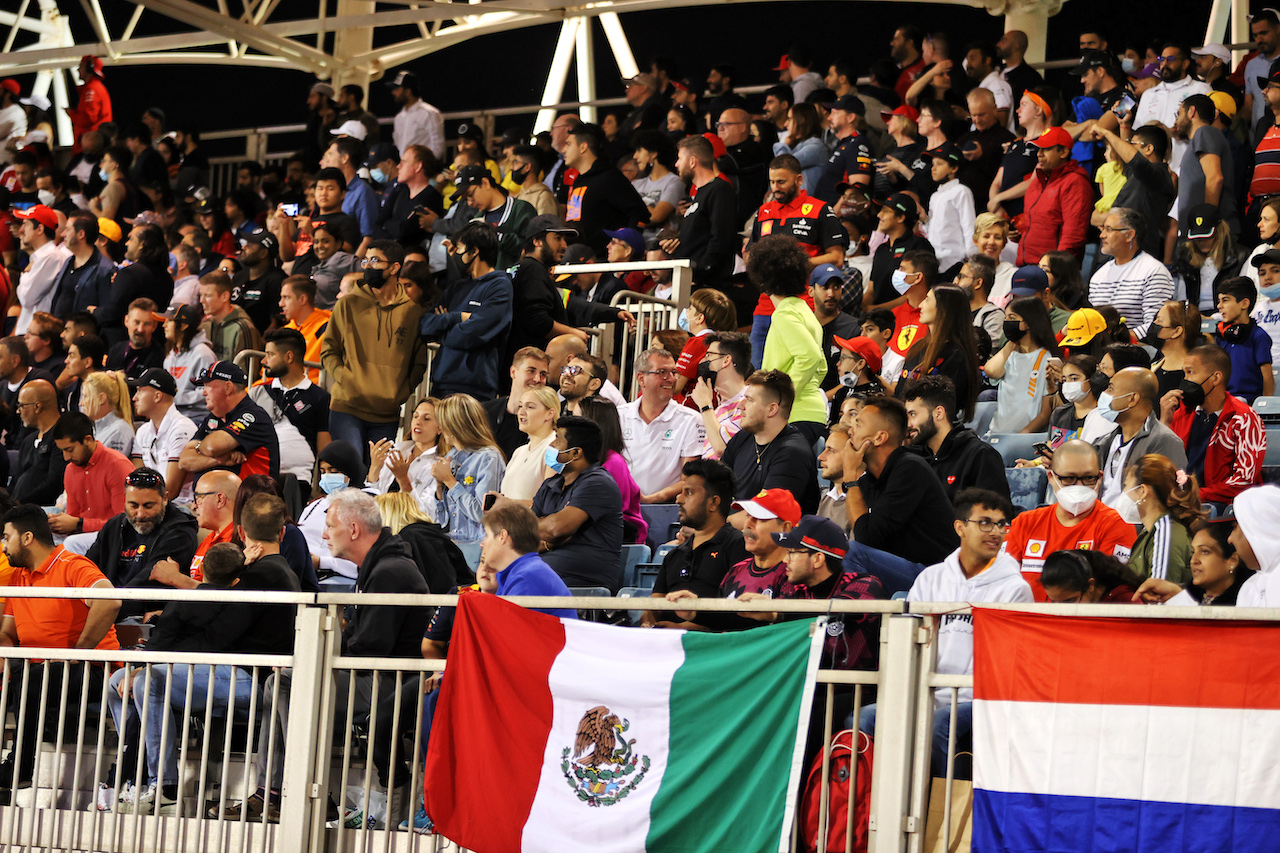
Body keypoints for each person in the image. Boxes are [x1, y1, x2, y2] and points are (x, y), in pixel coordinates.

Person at [860, 488, 1031, 778]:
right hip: (926, 689)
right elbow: (909, 638)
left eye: (1002, 524)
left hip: (979, 697)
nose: (996, 532)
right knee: (865, 718)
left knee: (940, 723)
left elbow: (1008, 660)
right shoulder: (931, 577)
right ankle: (872, 806)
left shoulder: (1015, 588)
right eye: (985, 522)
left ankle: (935, 810)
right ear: (960, 527)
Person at [0, 505, 119, 799]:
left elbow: (110, 601)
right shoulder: (18, 576)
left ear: (27, 537)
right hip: (37, 668)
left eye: (6, 537)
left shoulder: (71, 565)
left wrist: (76, 653)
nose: (3, 546)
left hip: (90, 670)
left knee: (32, 679)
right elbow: (7, 631)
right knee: (23, 674)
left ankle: (19, 768)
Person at [841, 395, 959, 589]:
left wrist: (849, 477)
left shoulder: (910, 469)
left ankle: (853, 618)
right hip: (905, 570)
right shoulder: (870, 479)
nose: (850, 431)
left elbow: (866, 538)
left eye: (858, 425)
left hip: (937, 576)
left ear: (879, 438)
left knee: (852, 552)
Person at [324, 239, 427, 451]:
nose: (368, 266)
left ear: (394, 267)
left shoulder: (412, 312)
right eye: (365, 261)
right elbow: (329, 350)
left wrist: (400, 392)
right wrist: (346, 379)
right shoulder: (347, 304)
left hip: (386, 414)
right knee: (351, 474)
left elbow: (419, 363)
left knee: (376, 479)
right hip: (346, 407)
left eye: (375, 260)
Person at [1002, 439, 1137, 599]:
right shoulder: (1025, 523)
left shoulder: (1116, 526)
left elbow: (1107, 592)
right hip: (1025, 620)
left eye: (1088, 478)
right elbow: (1003, 581)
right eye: (1068, 479)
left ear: (1099, 478)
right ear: (1051, 477)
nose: (1078, 486)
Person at [666, 488, 800, 630]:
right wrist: (696, 610)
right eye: (748, 516)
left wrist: (773, 614)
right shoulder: (737, 570)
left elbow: (797, 630)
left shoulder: (795, 575)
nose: (747, 525)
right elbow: (726, 622)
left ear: (785, 528)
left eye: (759, 519)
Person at [644, 459, 746, 626]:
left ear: (713, 503)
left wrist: (681, 628)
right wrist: (648, 624)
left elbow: (738, 612)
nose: (679, 499)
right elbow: (654, 607)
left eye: (689, 493)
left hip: (712, 647)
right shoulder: (673, 555)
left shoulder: (738, 546)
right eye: (681, 492)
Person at [1163, 344, 1266, 508]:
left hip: (1223, 506)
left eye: (1190, 372)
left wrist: (1196, 495)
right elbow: (1164, 465)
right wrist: (1164, 423)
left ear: (1215, 378)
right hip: (1183, 500)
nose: (1184, 381)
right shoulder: (1181, 413)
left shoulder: (1244, 418)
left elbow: (1244, 480)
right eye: (1184, 373)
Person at [418, 223, 511, 401]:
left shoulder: (500, 286)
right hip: (441, 382)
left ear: (474, 251)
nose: (454, 255)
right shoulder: (457, 288)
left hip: (475, 388)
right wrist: (457, 317)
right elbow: (425, 326)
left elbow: (473, 334)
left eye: (458, 248)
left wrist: (443, 329)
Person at [531, 416, 624, 591]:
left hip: (584, 582)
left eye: (557, 440)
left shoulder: (598, 483)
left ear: (576, 453)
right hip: (546, 576)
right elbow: (522, 537)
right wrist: (550, 543)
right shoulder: (550, 485)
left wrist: (546, 531)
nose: (551, 446)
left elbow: (556, 528)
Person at [85, 466, 199, 610]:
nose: (140, 514)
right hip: (107, 608)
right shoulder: (115, 525)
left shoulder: (180, 533)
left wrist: (107, 608)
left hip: (141, 614)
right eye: (133, 505)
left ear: (165, 498)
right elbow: (87, 567)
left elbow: (147, 583)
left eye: (148, 506)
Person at [750, 235, 827, 444]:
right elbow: (821, 366)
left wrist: (782, 398)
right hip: (813, 415)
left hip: (795, 417)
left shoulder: (784, 314)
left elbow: (810, 357)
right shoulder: (805, 311)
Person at [720, 369, 820, 514]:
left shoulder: (793, 453)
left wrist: (710, 527)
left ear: (772, 409)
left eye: (749, 400)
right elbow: (715, 487)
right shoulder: (742, 438)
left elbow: (763, 514)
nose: (740, 406)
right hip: (736, 531)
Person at [619, 348, 706, 503]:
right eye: (661, 372)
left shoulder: (691, 420)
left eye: (674, 372)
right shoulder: (619, 415)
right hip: (620, 505)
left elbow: (689, 478)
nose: (671, 378)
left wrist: (652, 499)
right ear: (641, 378)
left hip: (664, 507)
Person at [1092, 366, 1188, 505]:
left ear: (1132, 399)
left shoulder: (1164, 441)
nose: (1105, 393)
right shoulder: (1103, 442)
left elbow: (1170, 500)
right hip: (1102, 523)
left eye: (1111, 389)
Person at [904, 377, 1008, 503]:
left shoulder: (980, 455)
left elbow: (996, 513)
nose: (908, 424)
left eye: (913, 414)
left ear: (938, 413)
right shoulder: (914, 458)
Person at [47, 411, 137, 547]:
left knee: (71, 543)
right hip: (81, 536)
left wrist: (79, 524)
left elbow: (124, 522)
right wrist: (59, 524)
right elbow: (73, 515)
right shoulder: (70, 470)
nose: (66, 457)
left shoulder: (117, 466)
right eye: (62, 451)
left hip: (114, 538)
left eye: (70, 450)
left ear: (87, 440)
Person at [1088, 124, 1177, 261]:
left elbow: (1137, 162)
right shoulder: (1137, 176)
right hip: (1115, 254)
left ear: (1148, 149)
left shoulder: (1159, 176)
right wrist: (1123, 125)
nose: (1128, 147)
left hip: (1136, 256)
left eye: (1133, 144)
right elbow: (1130, 162)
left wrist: (1106, 132)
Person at [179, 361, 280, 480]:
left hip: (251, 497)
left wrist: (198, 448)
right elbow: (184, 461)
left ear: (228, 387)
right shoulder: (213, 418)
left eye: (207, 386)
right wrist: (220, 460)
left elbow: (212, 446)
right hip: (212, 496)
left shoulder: (254, 415)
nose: (203, 392)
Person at [896, 285, 980, 423]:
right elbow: (899, 393)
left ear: (944, 309)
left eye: (927, 300)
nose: (921, 305)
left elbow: (945, 405)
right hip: (904, 424)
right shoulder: (918, 347)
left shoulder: (956, 355)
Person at [561, 123, 649, 253]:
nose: (564, 150)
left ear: (583, 147)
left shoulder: (609, 178)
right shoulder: (579, 181)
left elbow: (640, 213)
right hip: (580, 258)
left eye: (568, 144)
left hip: (604, 261)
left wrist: (626, 245)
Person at [1119, 453, 1202, 586]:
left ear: (1142, 491)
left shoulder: (1165, 533)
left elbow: (1158, 598)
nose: (1124, 493)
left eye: (1126, 485)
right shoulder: (1149, 532)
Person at [667, 135, 737, 292]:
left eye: (679, 158)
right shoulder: (700, 194)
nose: (676, 164)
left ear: (692, 161)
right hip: (691, 282)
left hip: (707, 286)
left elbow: (720, 237)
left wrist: (700, 273)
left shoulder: (720, 190)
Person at [1015, 127, 1092, 266]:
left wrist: (1054, 268)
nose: (1039, 154)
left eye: (1046, 149)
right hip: (1026, 265)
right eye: (1038, 149)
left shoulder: (1075, 182)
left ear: (1063, 152)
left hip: (1053, 270)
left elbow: (1073, 234)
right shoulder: (1037, 182)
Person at [985, 292, 1060, 435]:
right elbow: (991, 371)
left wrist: (1019, 437)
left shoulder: (1046, 358)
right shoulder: (1009, 355)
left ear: (1029, 323)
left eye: (1012, 318)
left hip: (1024, 438)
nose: (1007, 322)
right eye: (1006, 318)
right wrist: (1011, 343)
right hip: (996, 434)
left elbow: (1045, 413)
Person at [1133, 42, 1212, 173]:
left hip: (1187, 169)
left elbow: (1208, 131)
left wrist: (1183, 132)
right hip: (1152, 172)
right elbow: (1138, 132)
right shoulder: (1149, 94)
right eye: (1161, 59)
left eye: (1170, 59)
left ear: (1185, 64)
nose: (1164, 64)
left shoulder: (1201, 89)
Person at [1173, 94, 1238, 240]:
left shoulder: (1205, 132)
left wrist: (1207, 222)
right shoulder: (1199, 139)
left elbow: (1215, 178)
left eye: (1179, 114)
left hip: (1207, 232)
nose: (1176, 120)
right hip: (1197, 231)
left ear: (1192, 112)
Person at [130, 368, 196, 504]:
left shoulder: (182, 428)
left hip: (182, 507)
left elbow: (171, 491)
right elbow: (137, 478)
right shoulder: (143, 431)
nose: (134, 397)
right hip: (154, 505)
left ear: (157, 396)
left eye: (140, 390)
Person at [366, 398, 444, 511]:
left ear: (440, 428)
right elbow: (371, 501)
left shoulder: (439, 464)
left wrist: (403, 479)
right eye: (415, 416)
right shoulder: (397, 451)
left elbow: (425, 513)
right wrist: (374, 468)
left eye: (426, 419)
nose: (418, 422)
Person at [864, 192, 932, 313]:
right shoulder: (881, 249)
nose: (879, 215)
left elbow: (918, 292)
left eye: (886, 211)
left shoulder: (919, 246)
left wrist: (877, 309)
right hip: (877, 319)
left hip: (907, 316)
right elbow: (871, 290)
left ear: (900, 217)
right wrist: (861, 307)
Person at [1213, 276, 1275, 403]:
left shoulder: (1258, 336)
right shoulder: (1221, 337)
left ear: (1244, 303)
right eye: (1219, 301)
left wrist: (1265, 407)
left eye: (1225, 300)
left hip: (1249, 402)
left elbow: (1267, 377)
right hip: (1223, 400)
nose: (1219, 306)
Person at [690, 331, 751, 459]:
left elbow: (723, 448)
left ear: (726, 360)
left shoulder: (749, 401)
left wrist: (705, 406)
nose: (703, 361)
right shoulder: (717, 410)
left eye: (709, 355)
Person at [482, 346, 551, 459]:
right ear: (513, 372)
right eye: (531, 371)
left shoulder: (547, 421)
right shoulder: (483, 412)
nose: (537, 379)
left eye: (543, 374)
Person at [1166, 520, 1254, 607]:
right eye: (1193, 552)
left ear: (1232, 561)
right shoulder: (1187, 593)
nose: (1193, 561)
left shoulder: (1247, 602)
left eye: (1205, 551)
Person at [14, 205, 71, 335]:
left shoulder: (51, 257)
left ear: (39, 229)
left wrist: (25, 274)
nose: (21, 230)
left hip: (37, 334)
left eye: (26, 225)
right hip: (30, 332)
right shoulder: (41, 257)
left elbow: (27, 298)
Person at [957, 88, 1014, 212]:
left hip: (990, 207)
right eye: (973, 115)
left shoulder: (1008, 139)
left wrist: (984, 154)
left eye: (982, 114)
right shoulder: (964, 139)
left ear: (994, 109)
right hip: (961, 206)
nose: (977, 120)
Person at [498, 385, 558, 503]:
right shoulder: (519, 451)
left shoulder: (554, 449)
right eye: (520, 406)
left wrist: (506, 504)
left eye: (530, 407)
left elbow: (549, 502)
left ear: (549, 414)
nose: (521, 412)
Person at [672, 288, 737, 396]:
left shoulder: (697, 342)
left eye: (690, 309)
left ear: (699, 318)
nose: (685, 312)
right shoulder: (725, 343)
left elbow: (676, 385)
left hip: (693, 406)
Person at [49, 212, 114, 319]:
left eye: (68, 229)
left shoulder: (104, 269)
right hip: (60, 331)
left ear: (81, 234)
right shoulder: (69, 261)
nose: (63, 234)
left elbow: (104, 311)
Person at [11, 380, 67, 505]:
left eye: (21, 406)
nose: (18, 411)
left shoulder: (63, 438)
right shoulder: (28, 441)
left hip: (41, 513)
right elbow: (15, 481)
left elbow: (54, 484)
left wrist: (19, 504)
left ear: (37, 406)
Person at [922, 142, 974, 275]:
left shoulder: (961, 191)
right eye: (933, 164)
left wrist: (971, 256)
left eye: (939, 164)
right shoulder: (935, 196)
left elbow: (968, 225)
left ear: (954, 168)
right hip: (935, 261)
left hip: (955, 261)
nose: (933, 168)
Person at [162, 303, 216, 421]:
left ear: (183, 325)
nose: (164, 325)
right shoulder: (171, 355)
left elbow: (209, 391)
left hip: (198, 418)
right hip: (175, 416)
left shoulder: (203, 354)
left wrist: (176, 398)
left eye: (169, 321)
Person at [197, 271, 263, 362]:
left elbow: (248, 373)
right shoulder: (205, 325)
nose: (201, 300)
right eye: (201, 295)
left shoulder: (242, 329)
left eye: (207, 295)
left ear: (225, 296)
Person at [1147, 300, 1202, 399]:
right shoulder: (1156, 364)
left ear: (1176, 331)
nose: (1153, 324)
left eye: (1159, 320)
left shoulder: (1189, 375)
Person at [1046, 354, 1103, 448]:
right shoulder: (1059, 413)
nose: (1068, 384)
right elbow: (1049, 449)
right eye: (1064, 379)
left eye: (1074, 379)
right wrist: (1033, 463)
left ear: (1092, 380)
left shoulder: (1101, 417)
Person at [388, 70, 444, 160]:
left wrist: (426, 167)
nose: (393, 92)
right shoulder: (399, 117)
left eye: (397, 89)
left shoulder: (430, 113)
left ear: (408, 91)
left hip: (422, 169)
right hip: (404, 168)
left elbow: (438, 147)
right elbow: (398, 145)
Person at [105, 298, 165, 379]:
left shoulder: (160, 358)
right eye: (136, 322)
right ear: (126, 321)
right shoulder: (116, 350)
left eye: (147, 324)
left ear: (154, 326)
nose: (140, 329)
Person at [79, 370, 135, 456]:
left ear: (101, 398)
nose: (81, 403)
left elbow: (111, 467)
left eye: (85, 396)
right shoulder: (93, 428)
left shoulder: (120, 430)